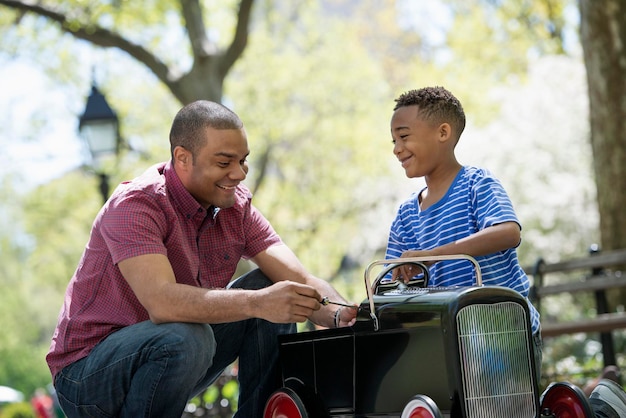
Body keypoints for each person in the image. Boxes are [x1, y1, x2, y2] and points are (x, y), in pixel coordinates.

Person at [46, 100, 357, 418]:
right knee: (190, 334)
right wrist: (258, 303)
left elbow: (300, 281)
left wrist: (344, 315)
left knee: (271, 283)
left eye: (243, 161)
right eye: (224, 163)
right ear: (182, 158)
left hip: (175, 350)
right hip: (87, 374)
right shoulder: (136, 205)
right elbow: (163, 303)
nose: (238, 173)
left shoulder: (236, 208)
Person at [385, 86, 626, 418]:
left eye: (404, 136)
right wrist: (396, 277)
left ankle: (601, 410)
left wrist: (434, 254)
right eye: (393, 141)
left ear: (443, 132)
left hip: (502, 332)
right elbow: (391, 280)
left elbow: (508, 233)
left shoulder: (476, 184)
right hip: (446, 343)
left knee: (510, 412)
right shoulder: (405, 215)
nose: (397, 149)